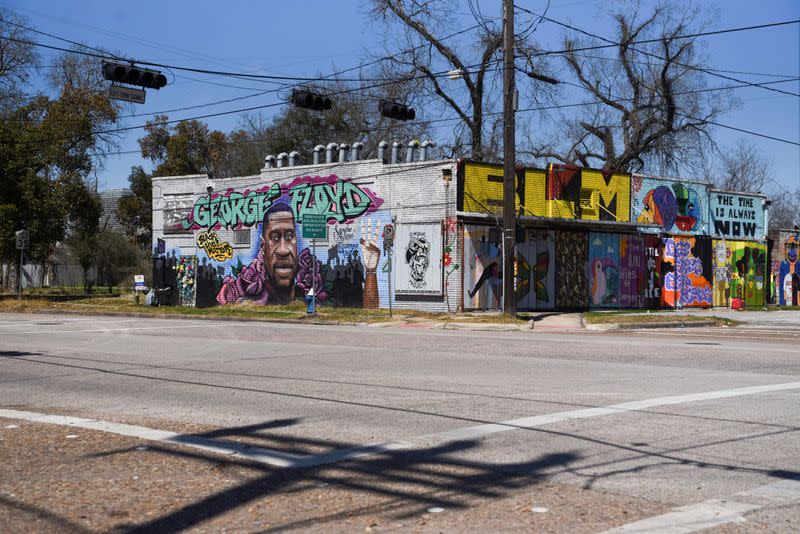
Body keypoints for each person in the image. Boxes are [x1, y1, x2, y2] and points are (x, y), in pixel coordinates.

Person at [216, 202, 298, 305]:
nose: (283, 250)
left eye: (289, 237)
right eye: (275, 238)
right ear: (263, 247)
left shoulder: (306, 296)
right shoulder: (251, 302)